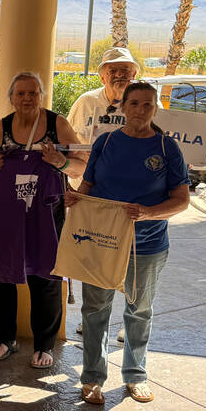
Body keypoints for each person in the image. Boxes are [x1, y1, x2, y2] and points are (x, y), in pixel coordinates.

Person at [69, 81, 189, 405]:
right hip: (102, 243)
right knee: (95, 310)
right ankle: (92, 378)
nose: (140, 110)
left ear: (154, 109)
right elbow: (89, 187)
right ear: (122, 107)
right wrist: (76, 200)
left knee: (139, 312)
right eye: (134, 104)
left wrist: (149, 213)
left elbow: (181, 200)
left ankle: (136, 376)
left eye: (147, 105)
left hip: (147, 246)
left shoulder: (167, 149)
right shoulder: (105, 143)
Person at [0, 72, 86, 367]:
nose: (26, 99)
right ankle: (4, 338)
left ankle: (44, 345)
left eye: (33, 93)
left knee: (46, 275)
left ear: (41, 96)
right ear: (11, 98)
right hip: (6, 218)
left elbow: (80, 164)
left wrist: (60, 162)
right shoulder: (2, 128)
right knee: (1, 275)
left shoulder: (57, 124)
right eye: (21, 93)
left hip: (46, 215)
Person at [65, 45, 140, 336]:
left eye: (125, 70)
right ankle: (94, 319)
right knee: (94, 259)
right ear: (102, 76)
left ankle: (129, 322)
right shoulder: (86, 103)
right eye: (113, 70)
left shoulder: (142, 103)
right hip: (92, 195)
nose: (119, 75)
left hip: (129, 198)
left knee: (130, 260)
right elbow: (70, 143)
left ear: (134, 75)